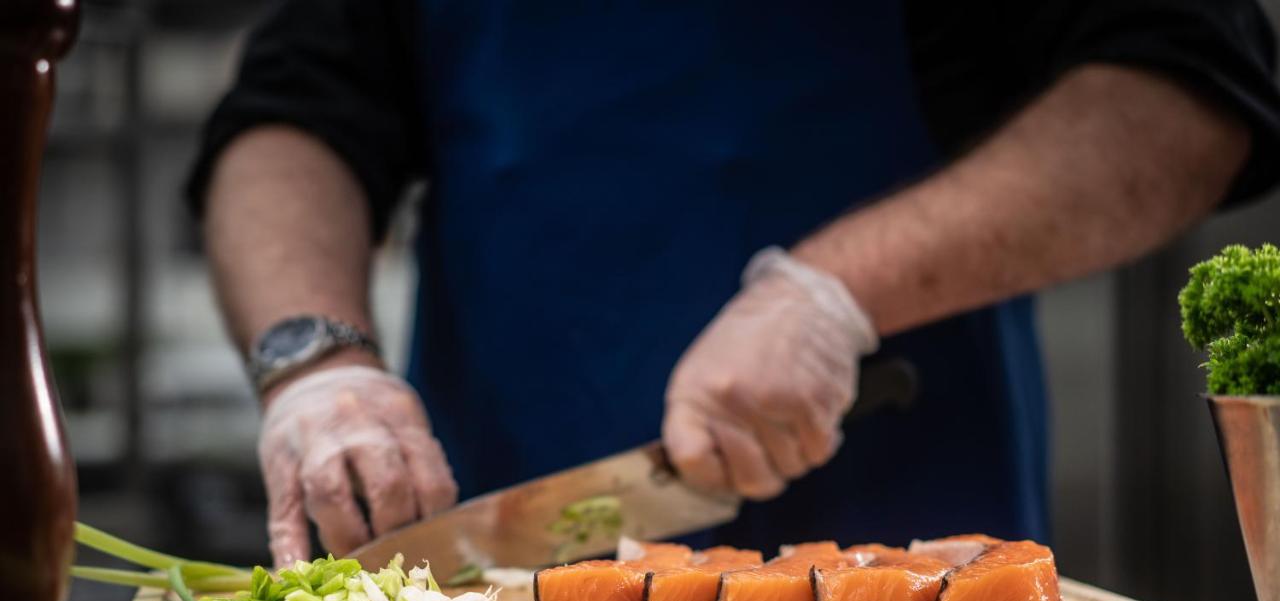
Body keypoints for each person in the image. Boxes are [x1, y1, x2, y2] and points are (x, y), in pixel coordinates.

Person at [189, 1, 1280, 568]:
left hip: (908, 576)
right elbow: (292, 116)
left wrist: (829, 294)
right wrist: (314, 363)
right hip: (492, 593)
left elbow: (1188, 86)